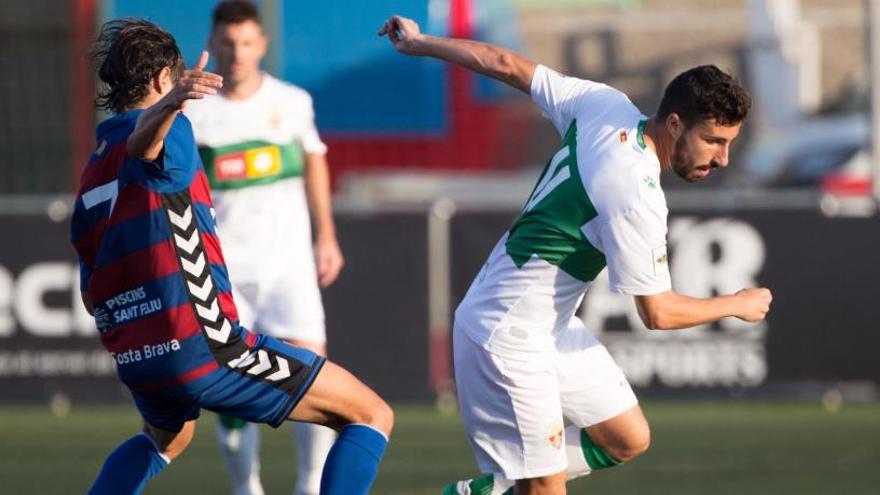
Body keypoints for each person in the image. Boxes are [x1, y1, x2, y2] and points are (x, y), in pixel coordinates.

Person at [379, 15, 772, 495]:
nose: (722, 158)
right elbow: (658, 312)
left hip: (551, 326)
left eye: (729, 143)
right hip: (506, 335)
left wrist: (420, 43)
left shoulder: (606, 104)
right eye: (714, 140)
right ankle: (517, 481)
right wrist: (736, 302)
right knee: (545, 487)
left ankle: (493, 488)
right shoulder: (636, 192)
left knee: (626, 437)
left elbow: (506, 64)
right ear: (674, 123)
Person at [72, 18, 392, 495]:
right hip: (201, 348)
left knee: (164, 439)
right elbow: (146, 146)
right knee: (370, 414)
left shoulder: (94, 166)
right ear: (163, 80)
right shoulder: (172, 128)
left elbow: (88, 286)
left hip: (137, 356)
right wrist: (172, 106)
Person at [183, 2, 344, 493]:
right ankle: (245, 487)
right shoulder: (193, 109)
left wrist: (327, 236)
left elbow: (315, 161)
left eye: (247, 42)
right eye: (228, 43)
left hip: (287, 266)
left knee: (310, 373)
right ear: (212, 41)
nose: (237, 53)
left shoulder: (292, 101)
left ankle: (309, 484)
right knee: (233, 389)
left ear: (262, 45)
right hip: (222, 271)